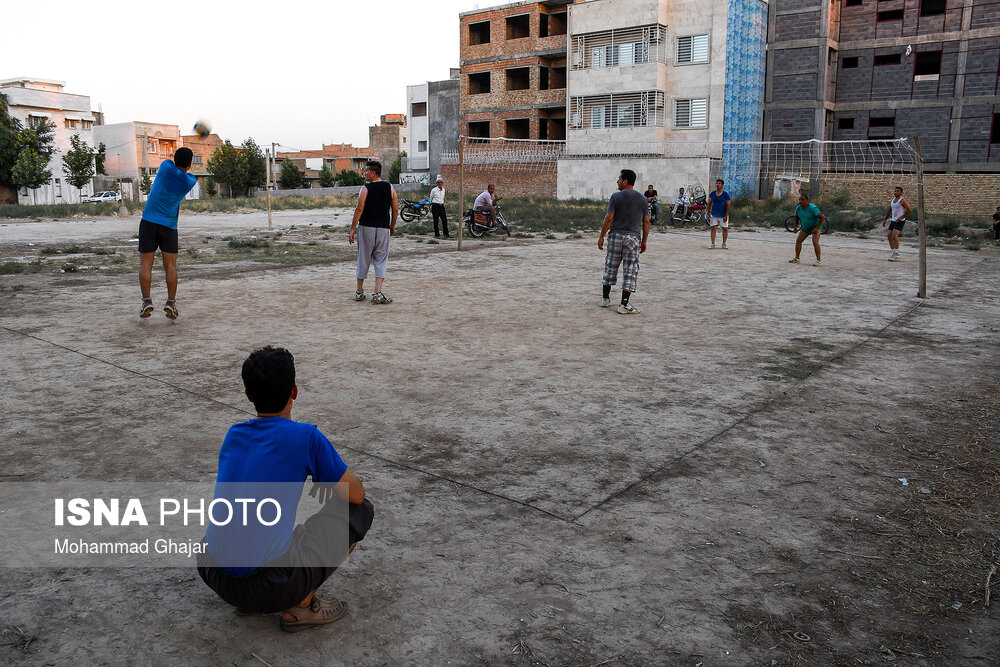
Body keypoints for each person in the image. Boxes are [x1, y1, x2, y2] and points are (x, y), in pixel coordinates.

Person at [197, 346, 374, 633]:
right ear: (294, 392)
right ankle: (301, 607)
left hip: (212, 570)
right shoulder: (306, 437)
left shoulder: (234, 433)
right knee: (359, 512)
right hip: (269, 586)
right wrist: (326, 478)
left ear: (249, 395)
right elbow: (357, 495)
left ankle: (249, 598)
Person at [138, 147, 197, 319]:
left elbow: (171, 162)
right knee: (170, 266)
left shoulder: (164, 166)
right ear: (190, 164)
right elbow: (185, 172)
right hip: (169, 225)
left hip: (148, 221)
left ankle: (146, 301)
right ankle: (171, 302)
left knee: (145, 265)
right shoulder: (189, 181)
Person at [598, 169, 650, 314]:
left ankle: (605, 299)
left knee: (610, 266)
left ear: (625, 181)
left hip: (615, 236)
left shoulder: (616, 197)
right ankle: (624, 304)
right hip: (632, 238)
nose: (618, 181)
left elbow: (609, 218)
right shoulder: (642, 199)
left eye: (619, 179)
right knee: (630, 270)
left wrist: (602, 236)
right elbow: (646, 222)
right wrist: (644, 241)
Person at [349, 161, 397, 303]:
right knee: (381, 259)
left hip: (366, 228)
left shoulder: (365, 189)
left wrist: (352, 228)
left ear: (373, 173)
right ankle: (377, 293)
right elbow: (395, 209)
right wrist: (392, 225)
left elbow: (359, 209)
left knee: (363, 258)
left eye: (366, 171)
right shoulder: (390, 187)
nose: (365, 173)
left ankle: (359, 292)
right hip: (383, 228)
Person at [788, 193, 825, 266]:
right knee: (798, 241)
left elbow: (822, 218)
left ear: (807, 200)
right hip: (805, 227)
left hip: (815, 227)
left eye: (802, 200)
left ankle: (818, 261)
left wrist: (817, 228)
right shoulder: (798, 208)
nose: (800, 201)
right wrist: (795, 227)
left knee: (815, 242)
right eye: (799, 200)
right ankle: (797, 259)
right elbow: (797, 217)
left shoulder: (813, 208)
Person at [882, 186, 912, 262]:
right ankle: (894, 253)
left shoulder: (903, 201)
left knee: (894, 236)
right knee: (889, 236)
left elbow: (909, 210)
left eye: (897, 191)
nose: (896, 192)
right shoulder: (892, 200)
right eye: (895, 191)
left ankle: (897, 254)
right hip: (893, 220)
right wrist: (885, 219)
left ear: (901, 192)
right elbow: (890, 210)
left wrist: (902, 217)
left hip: (900, 221)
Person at [708, 179, 731, 249]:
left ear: (722, 185)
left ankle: (724, 244)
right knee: (713, 228)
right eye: (717, 183)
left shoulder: (725, 195)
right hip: (714, 214)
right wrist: (708, 212)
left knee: (725, 229)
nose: (717, 185)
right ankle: (712, 244)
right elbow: (709, 203)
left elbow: (728, 205)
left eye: (719, 183)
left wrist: (726, 215)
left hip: (723, 214)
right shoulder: (712, 194)